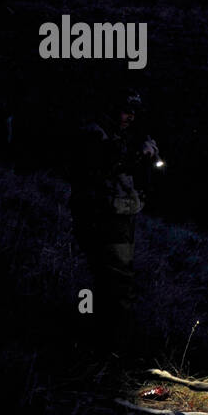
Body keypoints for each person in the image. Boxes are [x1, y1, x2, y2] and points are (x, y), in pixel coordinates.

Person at [68, 88, 161, 351]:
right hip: (103, 215)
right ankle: (109, 346)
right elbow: (104, 163)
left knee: (115, 280)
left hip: (119, 213)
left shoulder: (121, 136)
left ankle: (107, 341)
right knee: (114, 281)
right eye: (124, 110)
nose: (129, 117)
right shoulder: (95, 133)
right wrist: (138, 154)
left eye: (133, 112)